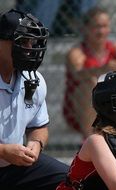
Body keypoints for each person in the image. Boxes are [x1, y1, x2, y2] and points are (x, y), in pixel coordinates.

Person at [0, 9, 69, 189]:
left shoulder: (33, 80)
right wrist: (3, 151)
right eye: (22, 42)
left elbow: (39, 127)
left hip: (15, 167)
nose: (29, 48)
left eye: (31, 41)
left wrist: (36, 143)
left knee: (71, 180)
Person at [63, 6, 116, 139]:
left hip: (111, 107)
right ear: (86, 28)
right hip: (80, 112)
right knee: (91, 83)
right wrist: (102, 70)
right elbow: (77, 74)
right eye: (96, 27)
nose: (101, 31)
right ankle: (90, 140)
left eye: (105, 26)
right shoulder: (78, 52)